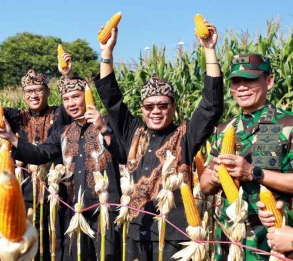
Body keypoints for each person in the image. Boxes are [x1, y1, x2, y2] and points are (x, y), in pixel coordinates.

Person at [94, 21, 223, 260]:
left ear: (173, 107)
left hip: (174, 234)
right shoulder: (134, 130)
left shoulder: (186, 134)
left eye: (163, 105)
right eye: (149, 106)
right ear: (142, 109)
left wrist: (209, 50)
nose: (156, 111)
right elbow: (111, 98)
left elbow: (211, 107)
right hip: (136, 229)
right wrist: (106, 53)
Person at [0, 53, 126, 261]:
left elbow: (123, 155)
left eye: (76, 97)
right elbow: (40, 153)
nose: (71, 103)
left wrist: (103, 128)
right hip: (74, 213)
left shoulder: (109, 123)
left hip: (105, 213)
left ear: (86, 96)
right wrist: (12, 138)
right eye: (66, 99)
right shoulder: (62, 132)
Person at [0, 64, 72, 260]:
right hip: (25, 195)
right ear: (23, 95)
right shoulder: (16, 117)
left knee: (54, 246)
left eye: (38, 90)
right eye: (29, 91)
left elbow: (75, 99)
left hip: (55, 194)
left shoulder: (60, 115)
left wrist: (68, 74)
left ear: (47, 92)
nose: (33, 95)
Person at [199, 53, 293, 260]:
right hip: (229, 240)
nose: (241, 87)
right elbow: (204, 184)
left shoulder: (287, 125)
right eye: (236, 82)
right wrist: (215, 177)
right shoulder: (224, 130)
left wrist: (252, 173)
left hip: (272, 242)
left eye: (249, 80)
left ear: (269, 82)